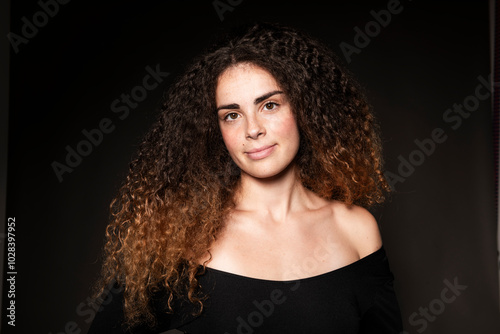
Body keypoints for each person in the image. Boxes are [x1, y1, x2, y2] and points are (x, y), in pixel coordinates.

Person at [88, 22, 403, 334]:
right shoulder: (182, 239)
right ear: (216, 130)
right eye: (232, 115)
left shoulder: (356, 231)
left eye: (269, 105)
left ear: (304, 108)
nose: (252, 129)